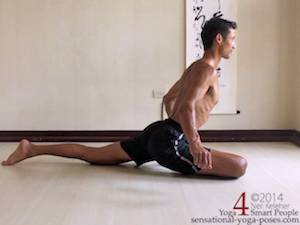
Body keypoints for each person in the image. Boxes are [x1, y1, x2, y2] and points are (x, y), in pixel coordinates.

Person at [2, 17, 247, 178]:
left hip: (160, 132)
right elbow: (184, 107)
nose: (234, 45)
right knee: (240, 166)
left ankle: (32, 148)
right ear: (219, 39)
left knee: (93, 155)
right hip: (170, 140)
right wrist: (192, 143)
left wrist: (179, 131)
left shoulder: (196, 67)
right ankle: (32, 149)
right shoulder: (206, 70)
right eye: (232, 39)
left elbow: (170, 99)